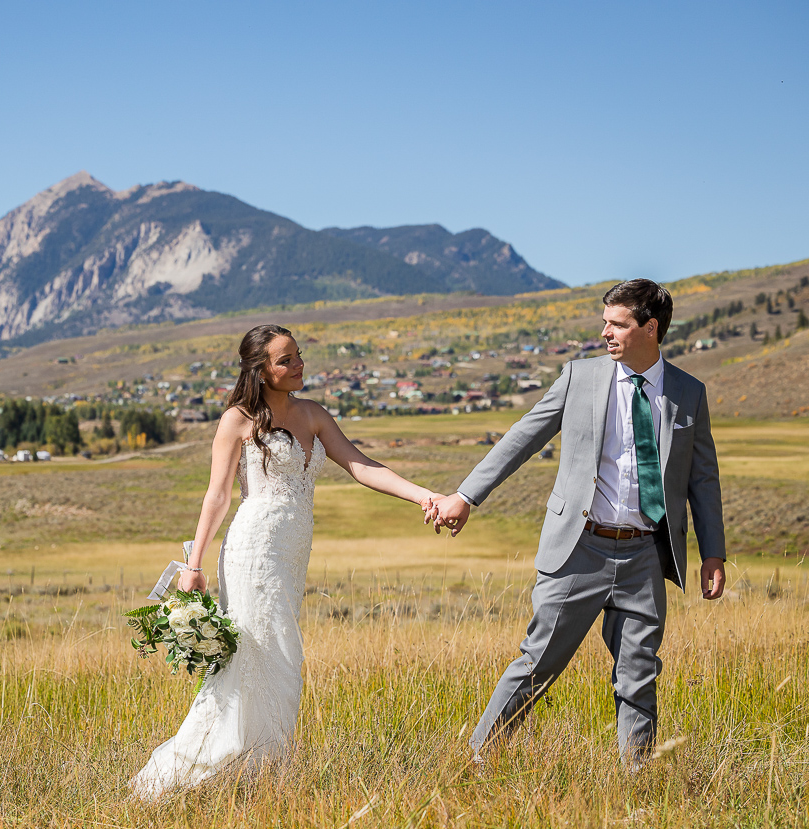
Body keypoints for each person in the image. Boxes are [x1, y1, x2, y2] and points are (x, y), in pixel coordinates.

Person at [129, 324, 443, 799]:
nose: (298, 365)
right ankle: (197, 770)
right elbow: (216, 496)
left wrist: (426, 496)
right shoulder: (236, 420)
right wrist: (193, 565)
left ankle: (259, 770)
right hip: (252, 550)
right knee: (261, 652)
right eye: (285, 360)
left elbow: (360, 465)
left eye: (298, 355)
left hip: (292, 553)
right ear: (260, 370)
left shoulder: (312, 414)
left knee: (277, 654)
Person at [431, 279, 726, 766]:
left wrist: (712, 551)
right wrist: (466, 495)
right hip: (579, 549)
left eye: (617, 324)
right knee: (537, 662)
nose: (605, 332)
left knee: (639, 672)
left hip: (646, 556)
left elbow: (704, 477)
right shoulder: (579, 377)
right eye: (604, 322)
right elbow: (523, 437)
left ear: (650, 329)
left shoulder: (688, 394)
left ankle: (638, 779)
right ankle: (477, 759)